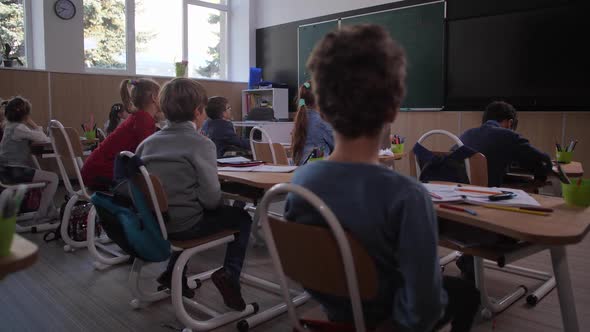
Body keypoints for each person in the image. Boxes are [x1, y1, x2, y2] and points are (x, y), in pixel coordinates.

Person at [284, 25, 480, 332]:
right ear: (393, 108)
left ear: (320, 107)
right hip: (387, 319)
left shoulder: (300, 182)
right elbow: (424, 309)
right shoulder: (407, 196)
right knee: (467, 294)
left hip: (335, 308)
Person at [136, 78, 253, 310]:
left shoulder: (146, 144)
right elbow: (211, 201)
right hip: (186, 226)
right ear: (199, 111)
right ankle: (230, 273)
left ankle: (172, 274)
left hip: (156, 224)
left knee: (181, 207)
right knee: (242, 218)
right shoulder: (201, 144)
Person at [81, 79, 161, 191]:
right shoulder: (144, 119)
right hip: (99, 174)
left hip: (93, 170)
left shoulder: (138, 117)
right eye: (161, 95)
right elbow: (148, 154)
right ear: (154, 97)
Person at [460, 101, 552, 187]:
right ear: (510, 123)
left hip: (460, 191)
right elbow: (543, 160)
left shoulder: (465, 135)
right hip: (488, 195)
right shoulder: (509, 136)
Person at [0, 97, 59, 222]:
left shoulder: (8, 126)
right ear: (25, 115)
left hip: (5, 171)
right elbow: (44, 139)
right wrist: (33, 124)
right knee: (53, 178)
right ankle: (41, 214)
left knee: (43, 176)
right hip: (14, 171)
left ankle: (51, 211)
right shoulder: (19, 128)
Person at [291, 81, 335, 165]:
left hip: (301, 168)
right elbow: (340, 146)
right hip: (317, 170)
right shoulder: (321, 121)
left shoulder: (301, 118)